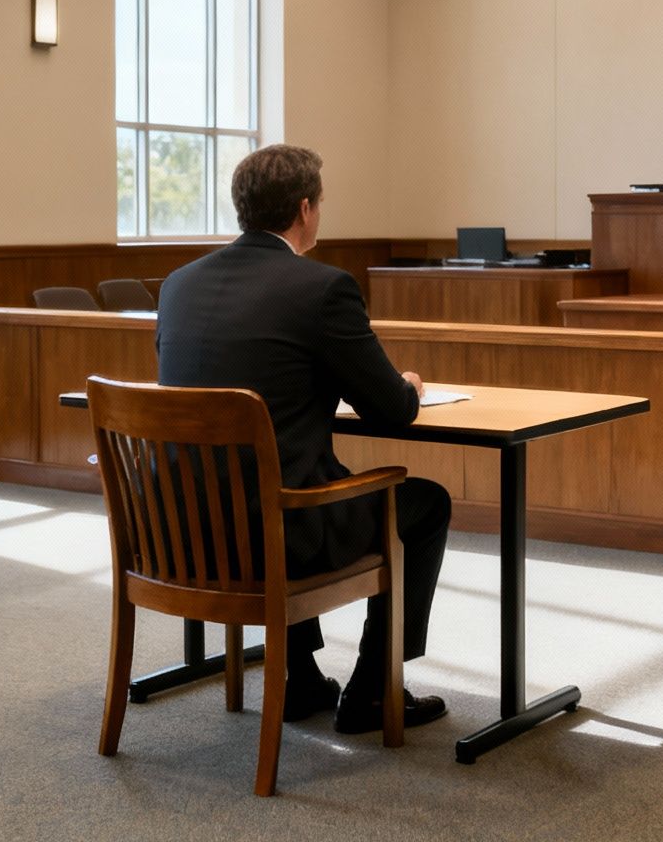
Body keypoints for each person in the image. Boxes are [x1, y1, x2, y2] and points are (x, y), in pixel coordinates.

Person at [154, 144, 451, 735]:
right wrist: (409, 384)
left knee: (275, 475)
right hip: (275, 533)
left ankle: (303, 679)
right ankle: (373, 688)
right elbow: (390, 410)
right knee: (425, 503)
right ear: (305, 208)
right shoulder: (321, 289)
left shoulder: (177, 285)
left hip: (179, 530)